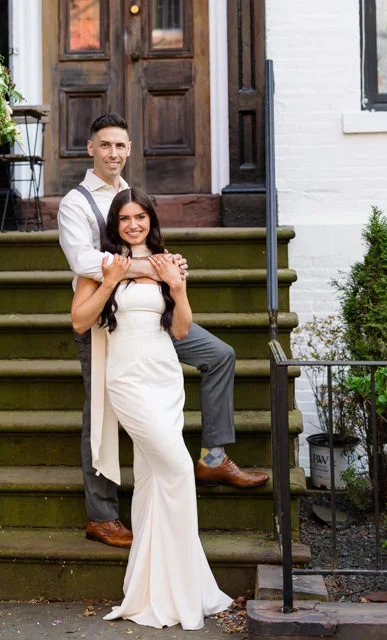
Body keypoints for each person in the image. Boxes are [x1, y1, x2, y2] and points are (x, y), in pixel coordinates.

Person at [57, 114, 267, 549]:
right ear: (90, 148)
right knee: (99, 414)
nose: (113, 153)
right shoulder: (75, 204)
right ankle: (102, 516)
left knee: (219, 355)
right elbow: (83, 261)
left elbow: (147, 245)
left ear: (129, 150)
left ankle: (212, 456)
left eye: (120, 146)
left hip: (153, 317)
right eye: (105, 146)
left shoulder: (131, 199)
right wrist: (152, 270)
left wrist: (169, 270)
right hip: (106, 317)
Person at [71, 188, 233, 629]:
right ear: (114, 224)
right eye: (124, 218)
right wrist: (109, 280)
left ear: (150, 221)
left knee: (152, 480)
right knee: (180, 469)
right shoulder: (99, 263)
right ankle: (181, 583)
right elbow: (80, 321)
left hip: (165, 378)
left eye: (140, 217)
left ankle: (154, 587)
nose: (133, 225)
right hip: (126, 379)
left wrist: (178, 289)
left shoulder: (166, 262)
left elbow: (181, 331)